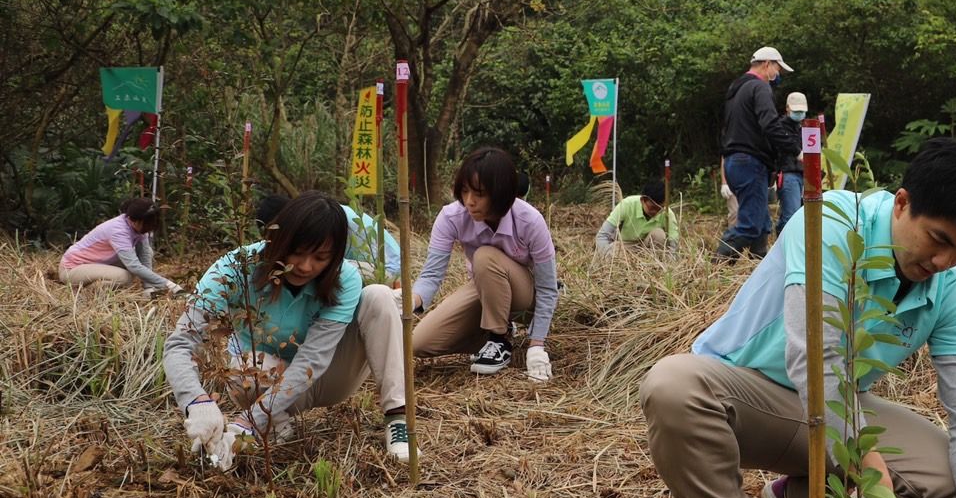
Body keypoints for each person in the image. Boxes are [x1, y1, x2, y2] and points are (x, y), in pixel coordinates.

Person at [640, 137, 956, 498]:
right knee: (672, 386)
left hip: (829, 416)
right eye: (939, 239)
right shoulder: (831, 224)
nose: (945, 261)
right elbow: (813, 359)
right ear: (902, 203)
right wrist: (869, 469)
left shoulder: (950, 293)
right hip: (740, 395)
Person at [164, 191, 410, 465]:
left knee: (379, 295)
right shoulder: (233, 270)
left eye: (320, 257)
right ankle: (277, 422)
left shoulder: (344, 278)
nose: (306, 266)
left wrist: (246, 422)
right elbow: (180, 343)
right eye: (297, 252)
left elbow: (313, 360)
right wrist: (196, 401)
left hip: (330, 375)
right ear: (276, 240)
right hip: (266, 380)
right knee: (245, 369)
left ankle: (397, 417)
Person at [411, 146, 559, 381]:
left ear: (501, 194)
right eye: (465, 191)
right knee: (418, 344)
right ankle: (496, 336)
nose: (469, 202)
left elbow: (548, 287)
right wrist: (409, 301)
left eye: (479, 194)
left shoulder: (530, 221)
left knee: (484, 256)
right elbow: (431, 275)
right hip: (484, 290)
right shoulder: (451, 217)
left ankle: (497, 339)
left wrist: (536, 345)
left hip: (524, 298)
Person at [715, 47, 798, 259]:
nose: (778, 75)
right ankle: (714, 266)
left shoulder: (736, 89)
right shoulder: (759, 87)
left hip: (735, 161)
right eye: (778, 69)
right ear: (767, 64)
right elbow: (770, 125)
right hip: (749, 162)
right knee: (750, 226)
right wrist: (796, 151)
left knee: (762, 225)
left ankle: (758, 269)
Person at [257, 193, 401, 283]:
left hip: (387, 270)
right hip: (369, 267)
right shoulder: (318, 215)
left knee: (328, 270)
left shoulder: (330, 219)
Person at [58, 197, 181, 296]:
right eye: (149, 223)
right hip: (72, 269)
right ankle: (89, 291)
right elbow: (134, 266)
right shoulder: (118, 230)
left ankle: (146, 289)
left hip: (96, 264)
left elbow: (144, 255)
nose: (151, 227)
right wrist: (170, 286)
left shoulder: (139, 227)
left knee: (147, 251)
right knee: (124, 277)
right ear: (134, 220)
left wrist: (148, 288)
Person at [595, 179, 678, 257]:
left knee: (659, 234)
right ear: (643, 200)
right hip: (626, 246)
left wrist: (670, 263)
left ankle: (653, 266)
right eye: (652, 208)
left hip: (650, 251)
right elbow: (602, 236)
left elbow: (673, 243)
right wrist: (605, 255)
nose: (655, 212)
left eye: (659, 209)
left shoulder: (667, 213)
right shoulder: (627, 205)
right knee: (613, 251)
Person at [776, 91, 808, 235]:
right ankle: (783, 248)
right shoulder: (779, 128)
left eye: (801, 111)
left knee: (801, 215)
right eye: (796, 111)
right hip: (788, 174)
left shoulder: (804, 128)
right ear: (787, 108)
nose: (799, 113)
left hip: (804, 175)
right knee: (791, 216)